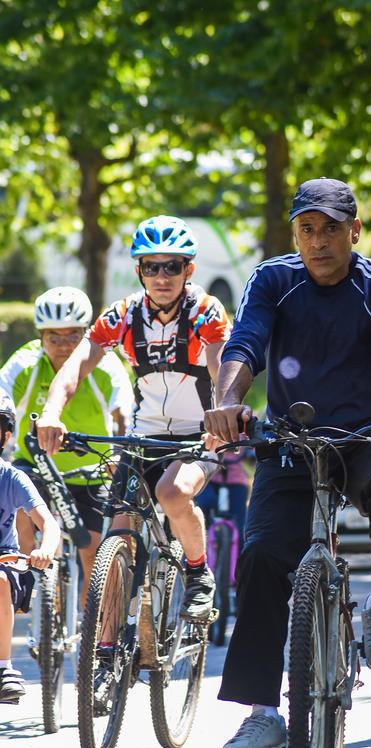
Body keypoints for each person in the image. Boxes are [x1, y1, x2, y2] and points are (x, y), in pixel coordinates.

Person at [204, 177, 371, 748]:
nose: (318, 241)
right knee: (261, 555)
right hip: (292, 439)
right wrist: (228, 402)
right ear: (295, 235)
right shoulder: (272, 280)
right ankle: (263, 715)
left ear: (354, 231)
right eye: (307, 229)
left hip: (365, 437)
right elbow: (245, 343)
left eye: (331, 229)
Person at [36, 215, 231, 623]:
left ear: (189, 269)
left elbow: (220, 367)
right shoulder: (123, 314)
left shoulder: (205, 311)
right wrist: (51, 413)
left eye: (172, 266)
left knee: (172, 494)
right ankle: (107, 644)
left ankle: (198, 575)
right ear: (139, 271)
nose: (162, 276)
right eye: (151, 266)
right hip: (143, 438)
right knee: (118, 534)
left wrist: (226, 411)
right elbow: (75, 367)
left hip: (197, 436)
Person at [0, 286, 134, 604]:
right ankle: (24, 586)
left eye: (73, 336)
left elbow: (125, 414)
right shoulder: (25, 362)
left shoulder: (105, 365)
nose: (63, 346)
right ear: (41, 337)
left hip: (92, 470)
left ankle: (89, 622)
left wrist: (120, 456)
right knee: (18, 510)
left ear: (86, 333)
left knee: (93, 553)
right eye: (54, 338)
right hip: (37, 466)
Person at [0, 394, 60, 704]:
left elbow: (48, 524)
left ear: (5, 436)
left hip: (4, 560)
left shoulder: (12, 478)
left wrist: (45, 549)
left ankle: (3, 668)